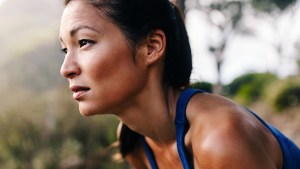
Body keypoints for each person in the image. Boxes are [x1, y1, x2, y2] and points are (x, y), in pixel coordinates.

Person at [59, 0, 300, 168]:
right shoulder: (135, 142)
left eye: (84, 42)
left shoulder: (220, 137)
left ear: (151, 47)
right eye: (64, 49)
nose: (66, 69)